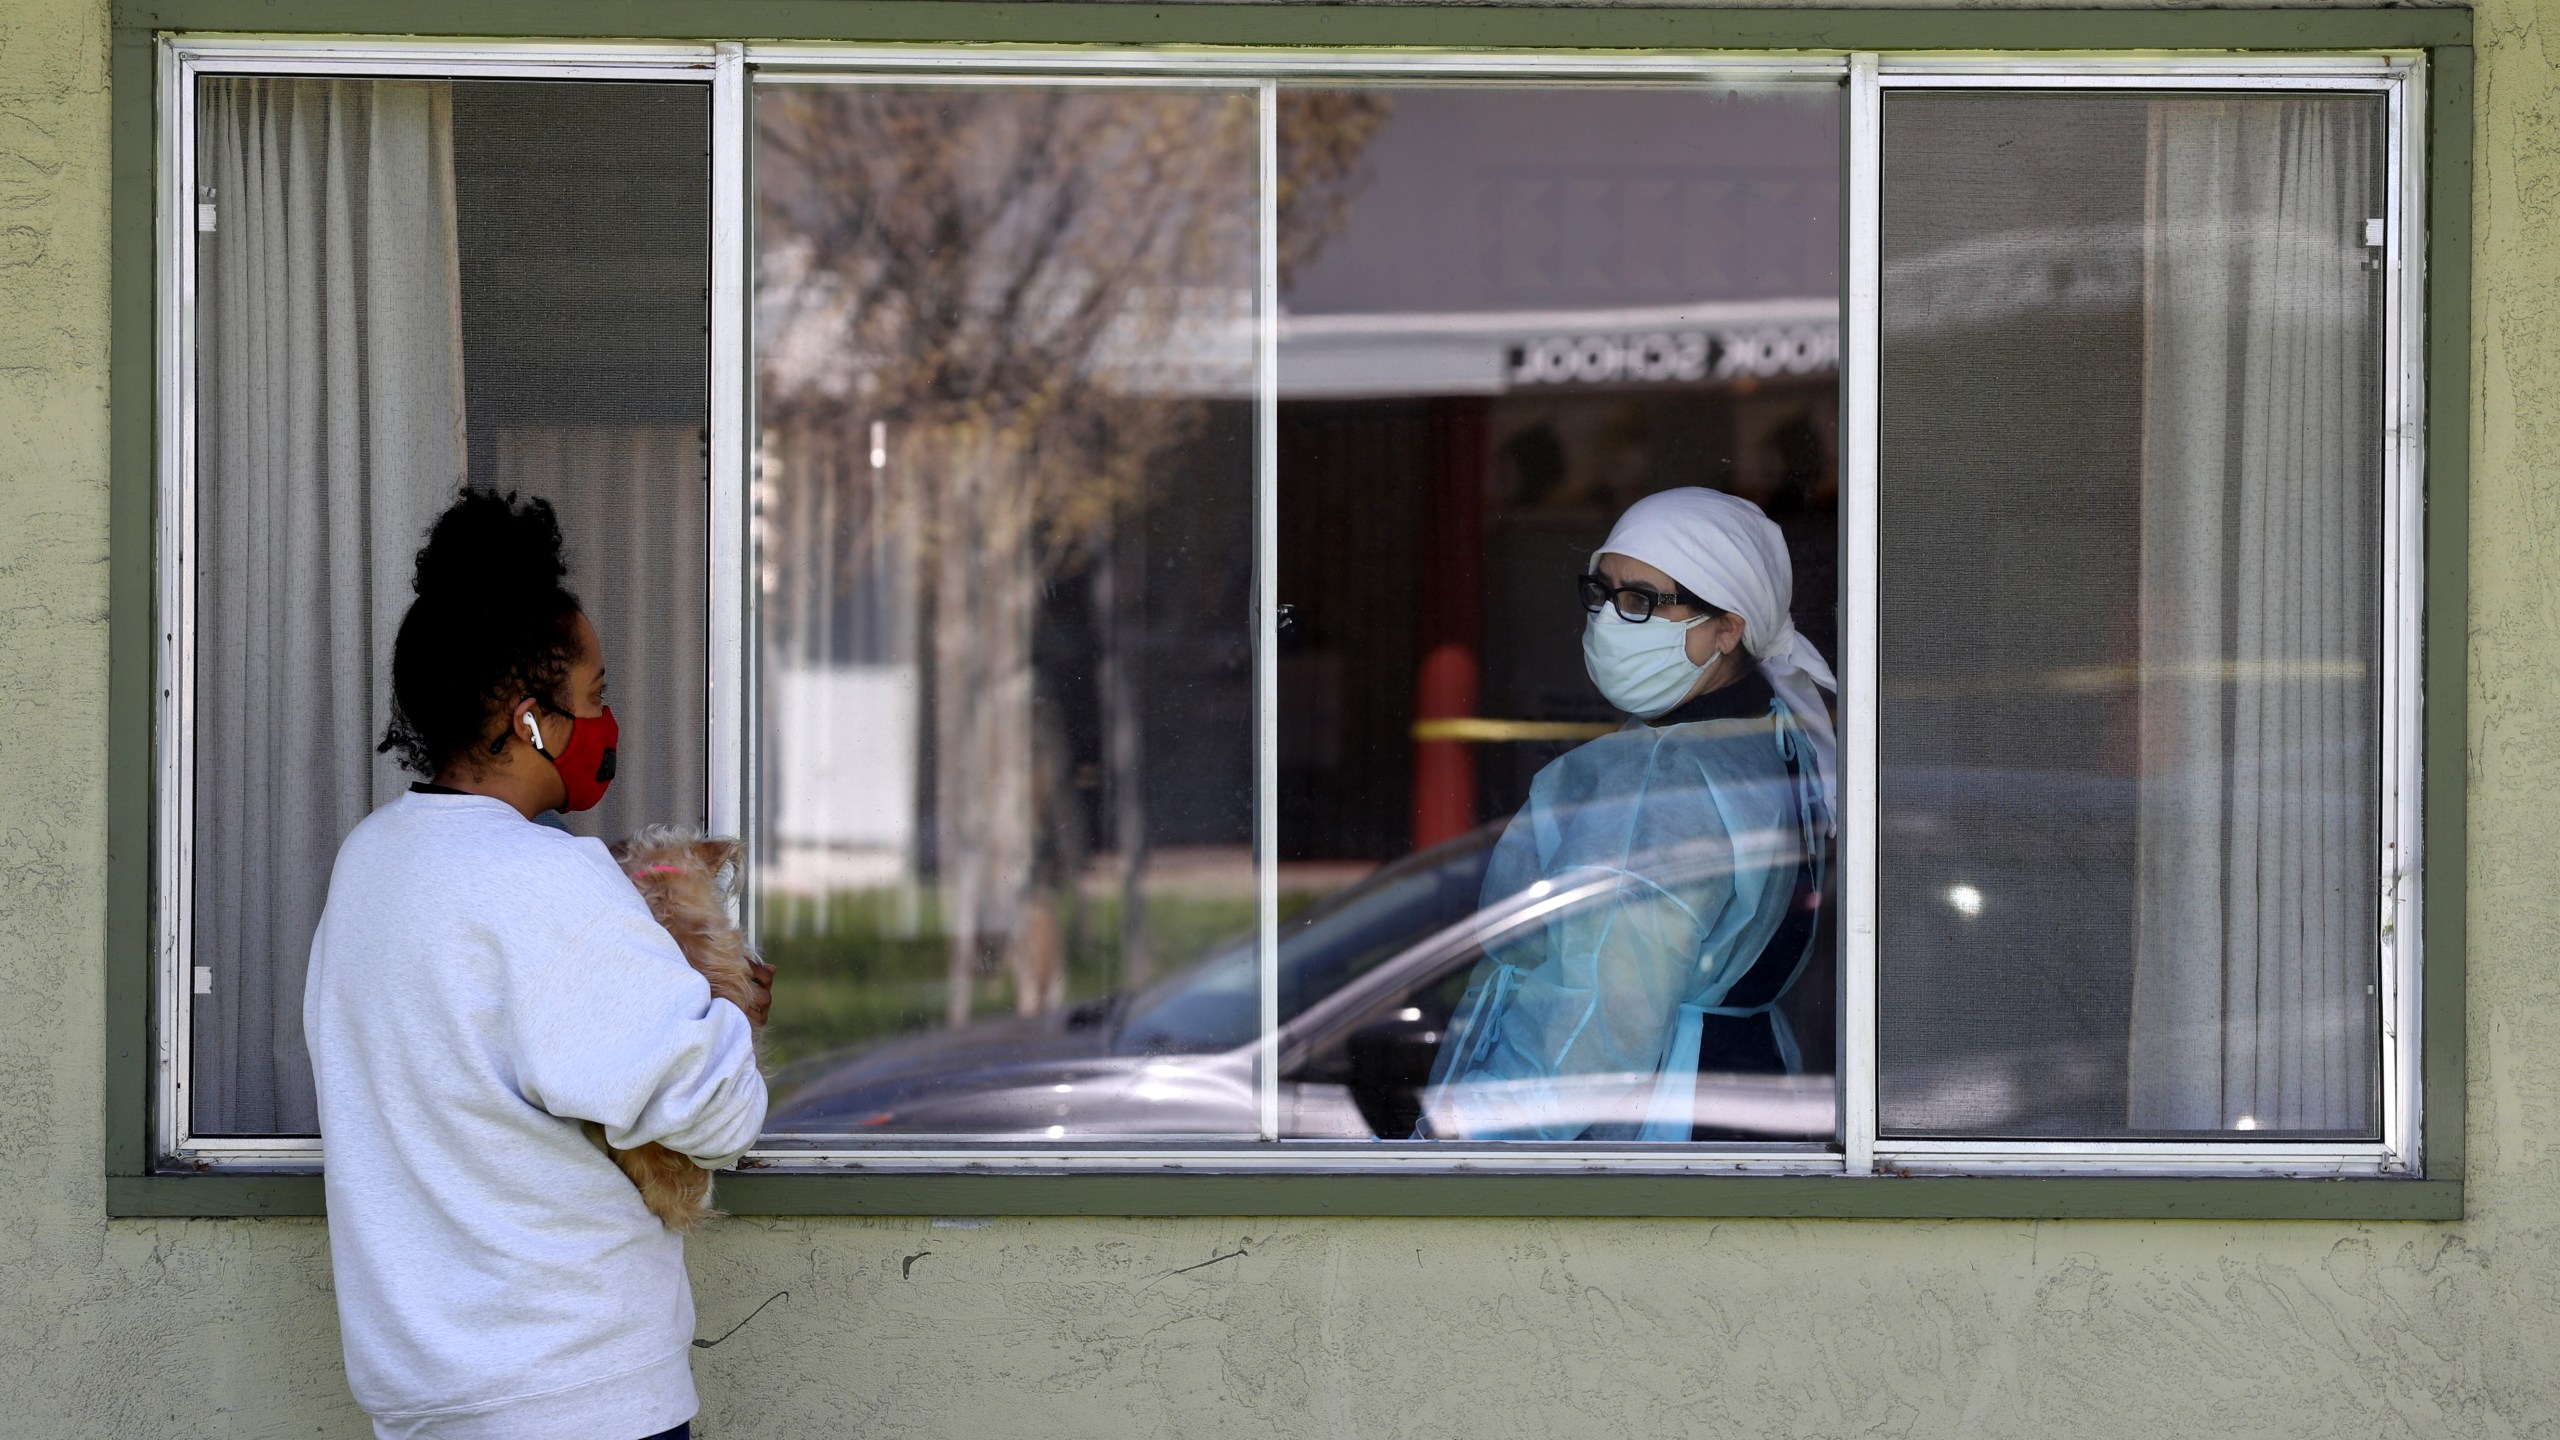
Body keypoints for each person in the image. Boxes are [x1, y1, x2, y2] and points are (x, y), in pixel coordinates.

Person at [303, 491, 771, 1440]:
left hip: (424, 1396)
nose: (606, 720)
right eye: (594, 696)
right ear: (530, 721)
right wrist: (726, 1007)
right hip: (577, 1395)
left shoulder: (370, 862)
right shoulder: (546, 877)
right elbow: (717, 1113)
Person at [1420, 487, 1837, 1142]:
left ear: (1728, 628)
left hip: (1660, 1131)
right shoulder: (1771, 735)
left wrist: (1462, 1145)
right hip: (1746, 1100)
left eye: (1642, 601)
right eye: (1603, 592)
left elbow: (1593, 1030)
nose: (1610, 619)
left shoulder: (1663, 778)